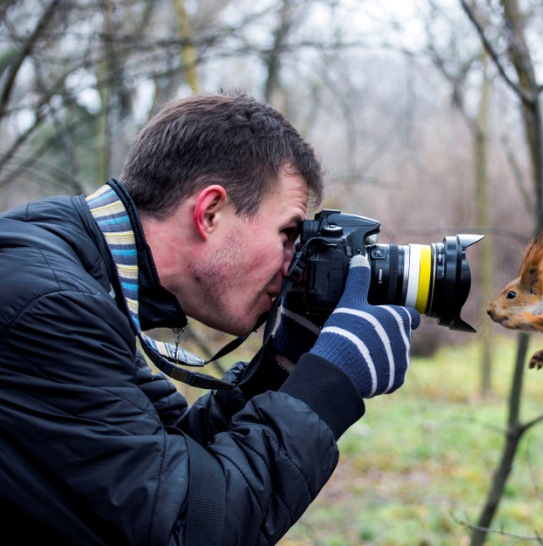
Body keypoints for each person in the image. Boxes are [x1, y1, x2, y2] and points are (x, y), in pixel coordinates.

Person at [0, 92, 420, 545]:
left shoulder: (80, 275)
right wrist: (328, 384)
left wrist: (285, 367)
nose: (292, 264)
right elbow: (187, 526)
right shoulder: (48, 304)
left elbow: (164, 462)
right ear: (210, 212)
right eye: (288, 234)